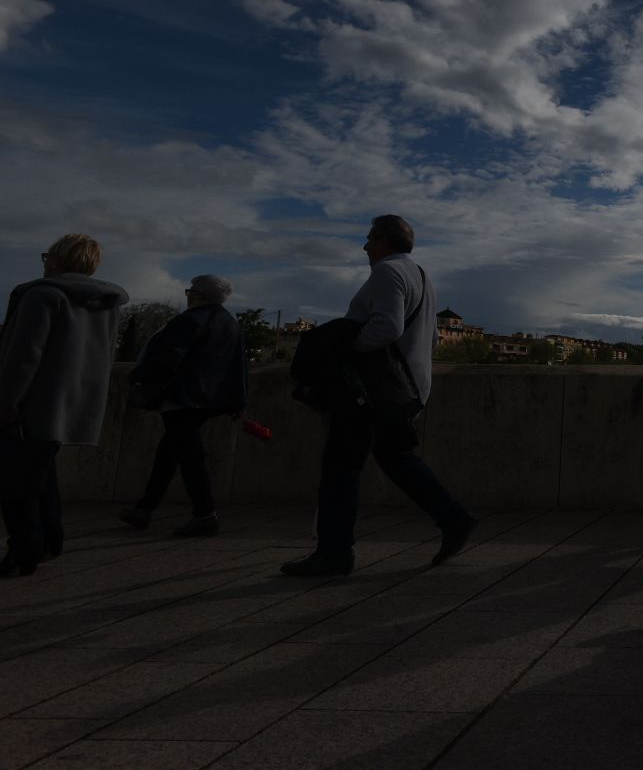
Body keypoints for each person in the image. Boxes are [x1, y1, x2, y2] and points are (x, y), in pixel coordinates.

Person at [280, 215, 477, 576]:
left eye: (370, 238)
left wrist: (344, 349)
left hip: (374, 391)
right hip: (407, 388)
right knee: (396, 458)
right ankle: (454, 519)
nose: (365, 246)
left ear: (385, 241)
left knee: (340, 468)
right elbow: (431, 337)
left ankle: (334, 553)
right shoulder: (421, 275)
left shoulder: (387, 272)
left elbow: (387, 326)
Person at [0, 235, 128, 576]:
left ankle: (25, 552)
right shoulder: (106, 302)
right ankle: (49, 542)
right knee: (40, 476)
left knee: (15, 484)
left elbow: (23, 358)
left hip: (32, 405)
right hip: (71, 405)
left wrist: (6, 404)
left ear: (56, 259)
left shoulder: (42, 295)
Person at [118, 275, 248, 537]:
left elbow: (168, 357)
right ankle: (145, 507)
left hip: (183, 398)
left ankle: (204, 513)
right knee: (171, 451)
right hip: (211, 399)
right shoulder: (229, 323)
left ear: (197, 295)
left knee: (188, 456)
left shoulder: (189, 320)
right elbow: (238, 365)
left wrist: (140, 377)